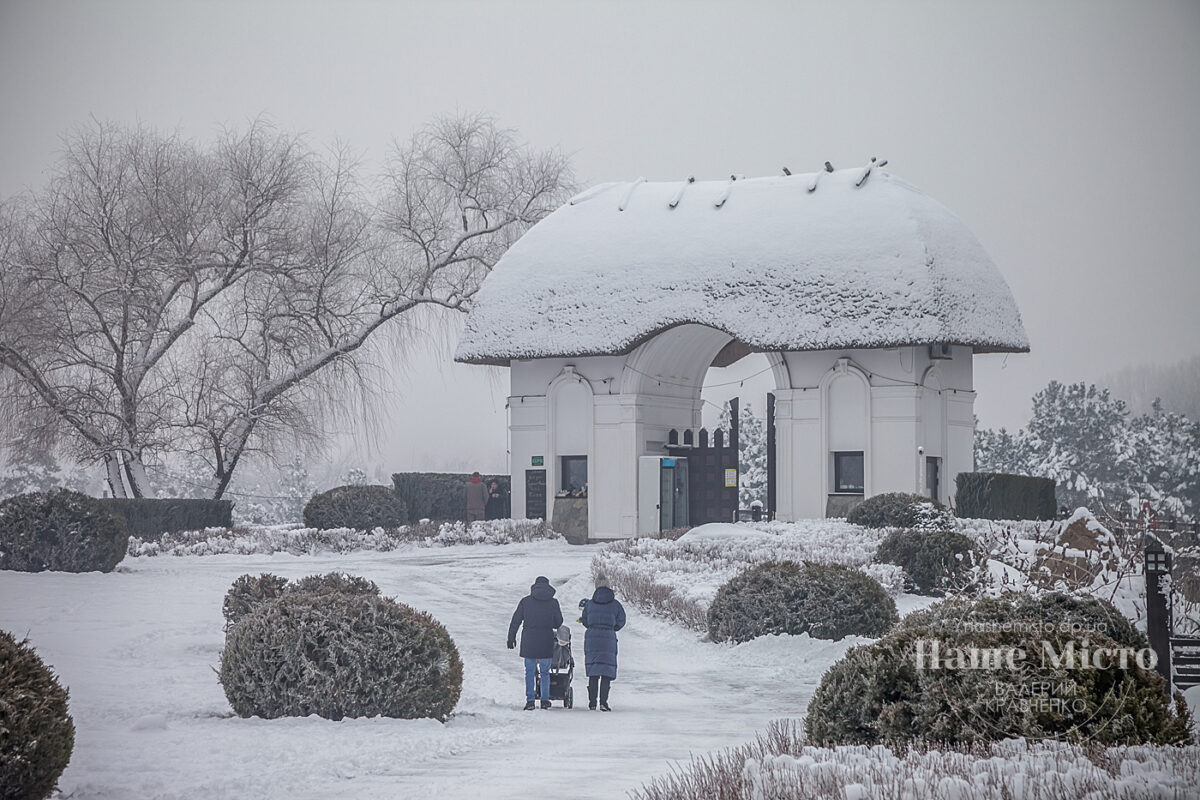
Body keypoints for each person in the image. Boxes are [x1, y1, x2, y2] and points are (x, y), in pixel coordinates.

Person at [507, 576, 564, 710]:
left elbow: (515, 621)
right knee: (545, 672)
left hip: (529, 641)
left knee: (530, 672)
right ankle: (544, 700)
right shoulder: (553, 603)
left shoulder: (525, 602)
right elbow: (558, 622)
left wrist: (511, 638)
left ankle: (530, 701)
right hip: (546, 640)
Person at [580, 574, 626, 711]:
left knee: (593, 670)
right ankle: (603, 702)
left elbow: (585, 620)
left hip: (592, 638)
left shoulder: (590, 604)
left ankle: (592, 702)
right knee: (606, 671)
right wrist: (612, 629)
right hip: (608, 639)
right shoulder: (616, 605)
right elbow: (621, 621)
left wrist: (592, 627)